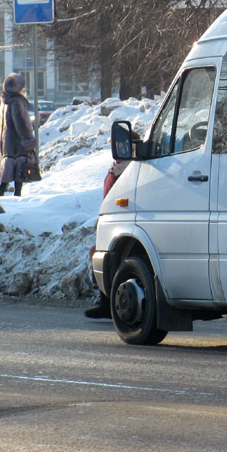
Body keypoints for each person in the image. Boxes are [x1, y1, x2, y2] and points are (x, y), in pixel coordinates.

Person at [85, 132, 139, 319]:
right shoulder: (118, 167)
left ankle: (108, 302)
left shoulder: (131, 167)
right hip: (114, 219)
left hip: (124, 220)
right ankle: (105, 300)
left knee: (110, 257)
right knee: (100, 255)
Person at [0, 72, 37, 200]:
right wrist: (28, 139)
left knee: (10, 163)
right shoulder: (17, 102)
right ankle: (17, 194)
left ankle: (2, 187)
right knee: (20, 166)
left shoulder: (6, 101)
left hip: (8, 141)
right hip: (19, 141)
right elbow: (22, 123)